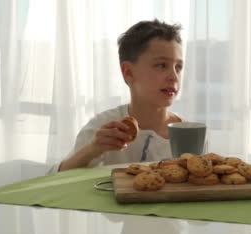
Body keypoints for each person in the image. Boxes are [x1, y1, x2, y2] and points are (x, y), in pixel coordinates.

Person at [52, 19, 184, 173]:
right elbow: (56, 179)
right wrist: (94, 149)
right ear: (128, 72)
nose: (174, 76)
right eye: (161, 65)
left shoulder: (191, 133)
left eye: (178, 67)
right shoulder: (103, 127)